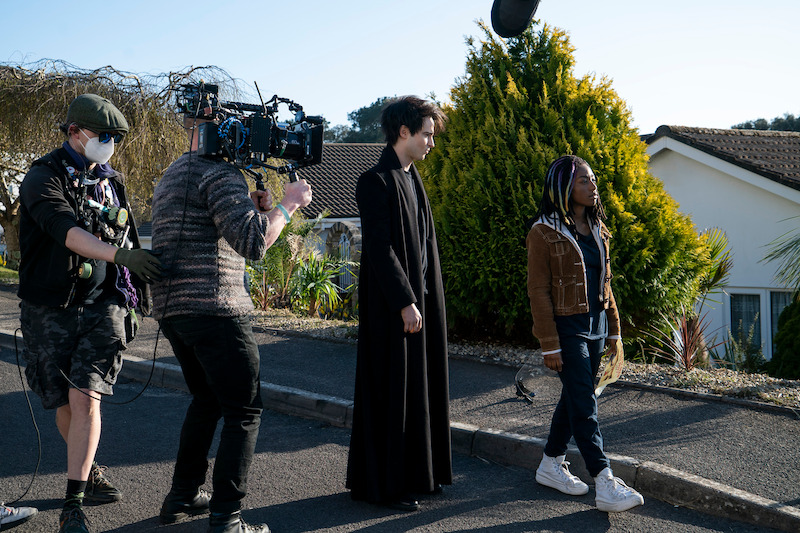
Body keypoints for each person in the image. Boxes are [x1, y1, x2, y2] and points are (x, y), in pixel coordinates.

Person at [151, 110, 312, 533]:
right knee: (244, 410)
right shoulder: (220, 174)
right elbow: (255, 244)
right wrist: (287, 205)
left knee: (206, 401)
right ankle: (227, 518)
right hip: (216, 309)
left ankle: (183, 496)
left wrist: (257, 209)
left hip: (174, 309)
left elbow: (228, 229)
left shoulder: (175, 172)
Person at [18, 93, 162, 533]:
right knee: (61, 398)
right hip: (50, 308)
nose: (110, 144)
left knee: (86, 397)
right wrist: (121, 255)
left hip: (105, 306)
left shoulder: (110, 180)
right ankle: (90, 469)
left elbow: (125, 231)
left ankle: (73, 504)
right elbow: (67, 232)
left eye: (115, 137)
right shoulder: (43, 177)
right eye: (103, 136)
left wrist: (134, 290)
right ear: (74, 132)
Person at [346, 96, 452, 512]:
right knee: (392, 392)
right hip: (392, 308)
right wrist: (405, 301)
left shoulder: (412, 178)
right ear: (403, 132)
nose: (431, 142)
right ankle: (385, 487)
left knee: (417, 390)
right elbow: (378, 246)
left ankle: (416, 476)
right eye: (426, 134)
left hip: (420, 304)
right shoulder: (376, 180)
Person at [526, 155, 644, 512]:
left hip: (596, 327)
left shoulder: (598, 228)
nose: (593, 187)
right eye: (584, 182)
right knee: (585, 403)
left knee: (576, 398)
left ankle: (550, 463)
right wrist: (549, 344)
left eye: (593, 181)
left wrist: (614, 331)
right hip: (568, 328)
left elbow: (605, 282)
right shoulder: (543, 231)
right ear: (564, 188)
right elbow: (538, 291)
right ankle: (604, 481)